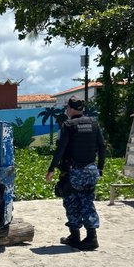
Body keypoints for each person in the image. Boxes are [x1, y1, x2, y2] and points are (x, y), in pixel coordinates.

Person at [45, 96, 106, 250]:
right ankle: (91, 237)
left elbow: (61, 149)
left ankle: (75, 235)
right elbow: (102, 146)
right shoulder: (94, 123)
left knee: (71, 202)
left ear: (71, 109)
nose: (67, 110)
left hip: (74, 171)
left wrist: (51, 169)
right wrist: (100, 168)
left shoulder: (68, 125)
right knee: (87, 201)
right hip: (91, 170)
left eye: (67, 108)